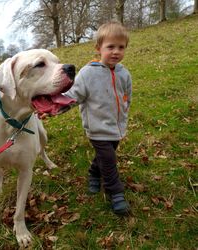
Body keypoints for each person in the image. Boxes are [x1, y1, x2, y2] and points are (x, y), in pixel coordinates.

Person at [64, 21, 132, 215]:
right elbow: (73, 96)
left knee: (104, 156)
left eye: (121, 47)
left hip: (116, 127)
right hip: (97, 129)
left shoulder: (124, 74)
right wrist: (53, 108)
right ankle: (115, 192)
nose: (116, 52)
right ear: (98, 48)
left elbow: (127, 96)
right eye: (110, 47)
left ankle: (94, 173)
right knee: (109, 159)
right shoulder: (87, 74)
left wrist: (124, 112)